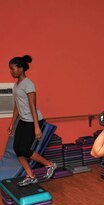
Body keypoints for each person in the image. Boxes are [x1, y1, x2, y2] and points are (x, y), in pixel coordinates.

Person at [7, 55, 57, 186]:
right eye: (10, 69)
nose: (11, 72)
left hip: (33, 121)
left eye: (13, 69)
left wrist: (36, 127)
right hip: (23, 121)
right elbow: (17, 105)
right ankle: (30, 176)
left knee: (24, 149)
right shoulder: (16, 85)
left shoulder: (29, 84)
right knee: (17, 149)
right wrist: (12, 123)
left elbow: (32, 106)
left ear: (21, 68)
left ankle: (50, 165)